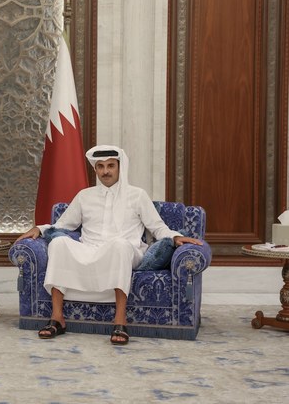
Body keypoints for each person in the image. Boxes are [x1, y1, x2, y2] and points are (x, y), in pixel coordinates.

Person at [17, 144, 202, 344]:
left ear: (119, 167)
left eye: (111, 166)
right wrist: (40, 229)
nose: (106, 171)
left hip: (126, 250)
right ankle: (57, 317)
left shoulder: (137, 195)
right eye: (101, 166)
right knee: (59, 243)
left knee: (119, 245)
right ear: (95, 169)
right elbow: (62, 224)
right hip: (90, 249)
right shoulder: (84, 196)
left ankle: (120, 320)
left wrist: (174, 237)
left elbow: (157, 227)